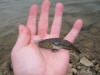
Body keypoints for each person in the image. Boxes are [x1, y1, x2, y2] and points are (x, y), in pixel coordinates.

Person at [11, 0, 83, 75]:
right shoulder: (46, 44)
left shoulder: (51, 44)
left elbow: (54, 45)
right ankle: (77, 51)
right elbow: (51, 45)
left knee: (67, 46)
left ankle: (77, 51)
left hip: (57, 44)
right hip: (55, 44)